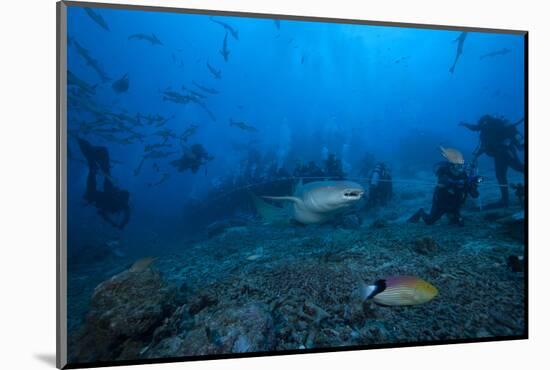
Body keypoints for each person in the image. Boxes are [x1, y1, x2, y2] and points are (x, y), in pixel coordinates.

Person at [459, 115, 524, 208]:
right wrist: (476, 156)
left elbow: (475, 129)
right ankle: (504, 200)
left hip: (503, 153)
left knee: (504, 174)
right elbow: (485, 145)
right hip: (505, 153)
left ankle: (505, 201)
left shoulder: (488, 128)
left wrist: (464, 124)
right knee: (516, 168)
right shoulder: (490, 128)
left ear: (483, 122)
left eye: (480, 123)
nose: (479, 126)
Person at [408, 147, 480, 226]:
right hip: (441, 203)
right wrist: (453, 184)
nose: (460, 169)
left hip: (455, 204)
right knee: (429, 221)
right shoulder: (444, 173)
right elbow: (441, 184)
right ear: (452, 165)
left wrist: (473, 186)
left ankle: (451, 215)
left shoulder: (463, 175)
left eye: (461, 166)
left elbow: (474, 195)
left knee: (459, 224)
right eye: (457, 166)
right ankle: (420, 212)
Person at [78, 138, 130, 229]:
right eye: (121, 197)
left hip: (97, 196)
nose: (121, 198)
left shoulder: (122, 205)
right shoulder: (122, 204)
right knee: (101, 176)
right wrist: (117, 224)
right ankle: (98, 160)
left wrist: (118, 224)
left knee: (96, 178)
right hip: (100, 195)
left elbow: (103, 213)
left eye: (122, 198)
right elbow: (105, 214)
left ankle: (95, 162)